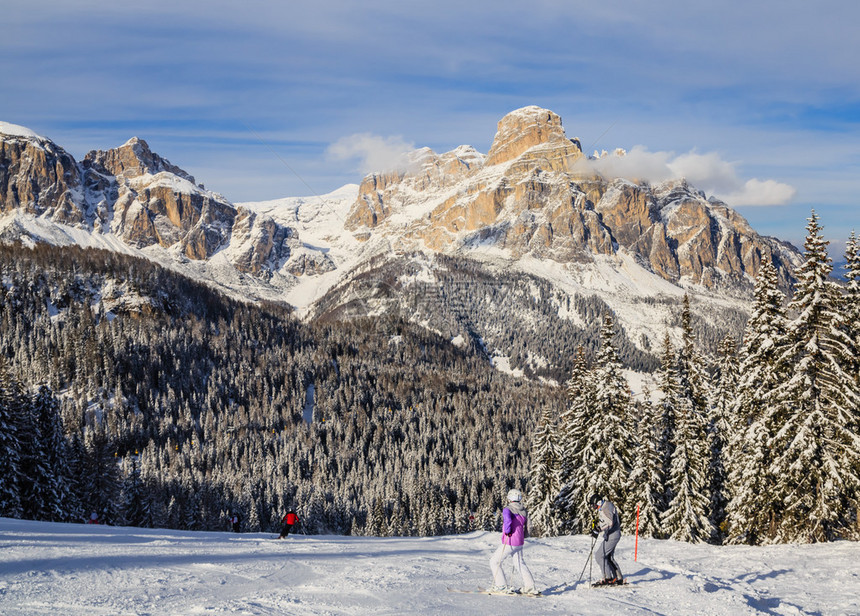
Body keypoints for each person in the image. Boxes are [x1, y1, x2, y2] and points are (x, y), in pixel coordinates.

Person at [488, 489, 539, 595]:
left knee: (494, 561)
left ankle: (501, 586)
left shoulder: (508, 509)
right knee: (520, 563)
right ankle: (530, 587)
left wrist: (507, 531)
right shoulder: (524, 510)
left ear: (509, 498)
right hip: (519, 541)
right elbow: (529, 526)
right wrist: (523, 535)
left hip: (509, 540)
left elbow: (508, 521)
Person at [589, 494, 623, 586]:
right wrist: (597, 526)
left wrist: (599, 529)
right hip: (611, 535)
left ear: (599, 502)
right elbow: (605, 521)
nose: (594, 507)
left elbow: (610, 522)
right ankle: (618, 578)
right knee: (608, 557)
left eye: (594, 505)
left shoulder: (607, 507)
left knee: (599, 555)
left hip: (613, 535)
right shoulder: (604, 506)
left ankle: (607, 578)